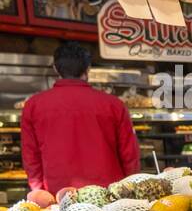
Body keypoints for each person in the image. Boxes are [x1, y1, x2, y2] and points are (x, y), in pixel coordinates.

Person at [21, 41, 139, 193]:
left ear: (56, 68)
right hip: (109, 194)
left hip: (58, 194)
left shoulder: (33, 105)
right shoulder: (114, 104)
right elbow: (129, 154)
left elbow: (30, 155)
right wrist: (130, 189)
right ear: (88, 68)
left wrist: (39, 190)